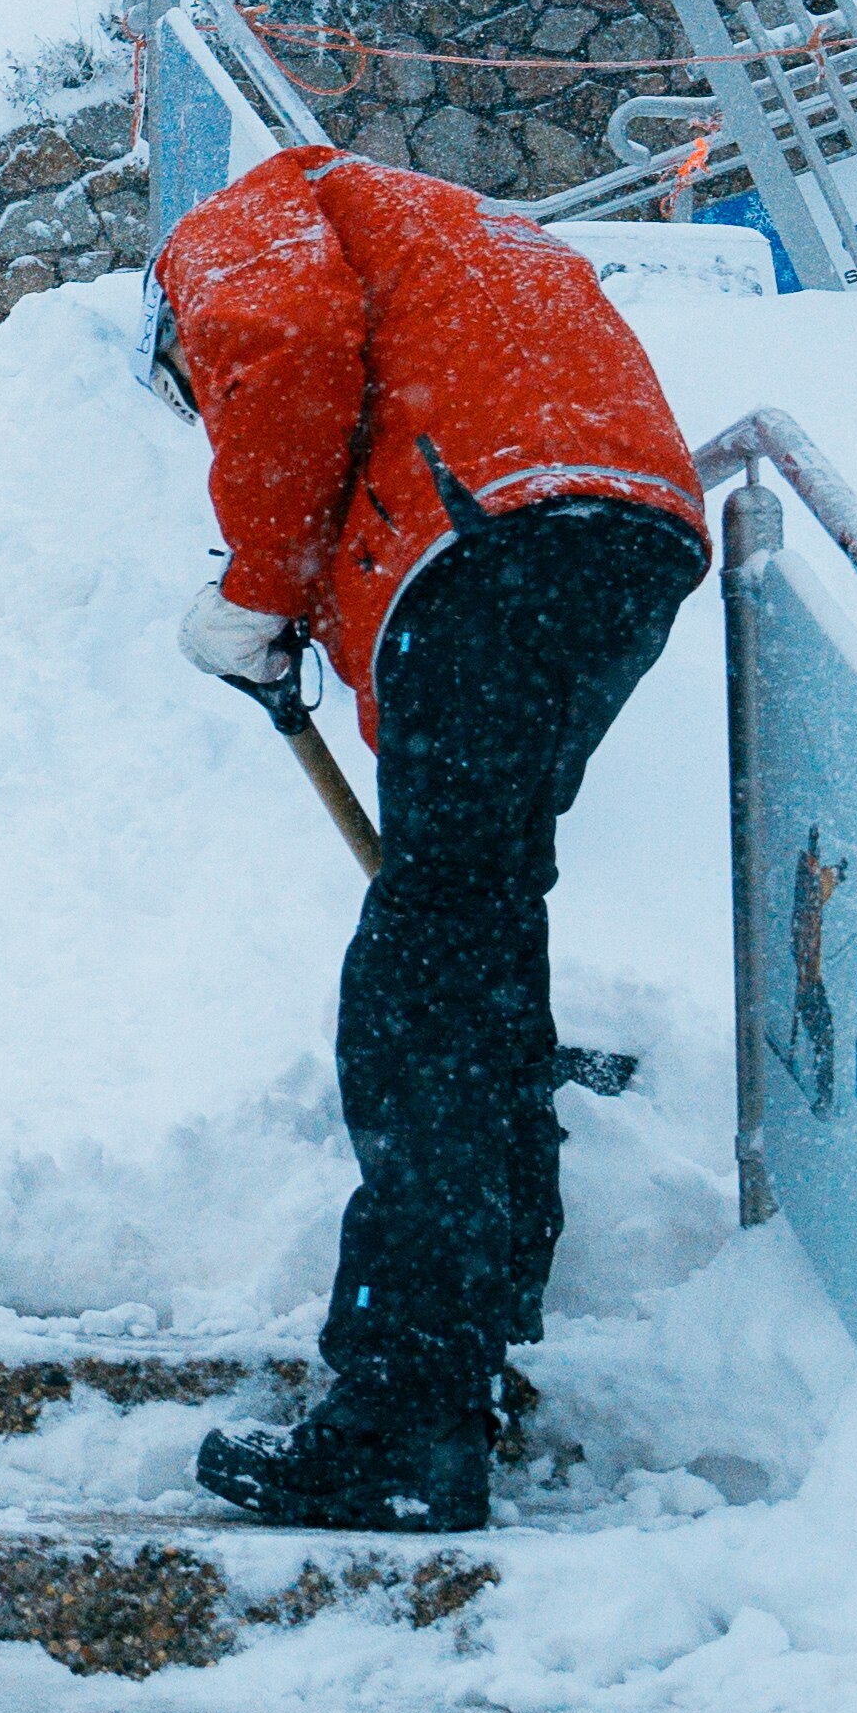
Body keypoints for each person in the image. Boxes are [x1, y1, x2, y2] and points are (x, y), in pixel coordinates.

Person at [147, 145, 708, 1534]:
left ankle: (406, 1411)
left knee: (422, 974)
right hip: (624, 534)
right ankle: (488, 1304)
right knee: (473, 915)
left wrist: (257, 588)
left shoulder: (235, 228)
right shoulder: (450, 239)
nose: (201, 402)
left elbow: (279, 360)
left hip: (494, 528)